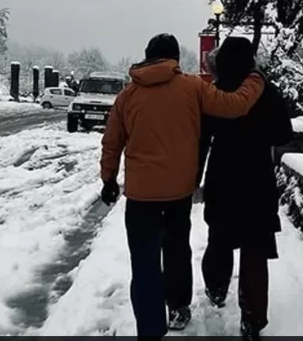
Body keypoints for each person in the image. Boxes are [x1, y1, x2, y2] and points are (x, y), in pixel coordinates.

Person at [99, 33, 265, 337]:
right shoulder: (193, 87)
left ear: (148, 56)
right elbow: (235, 105)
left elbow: (112, 143)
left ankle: (150, 329)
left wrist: (108, 179)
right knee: (176, 249)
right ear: (175, 59)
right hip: (177, 193)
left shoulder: (127, 95)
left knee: (145, 263)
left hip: (141, 196)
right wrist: (255, 79)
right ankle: (178, 306)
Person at [197, 37, 294, 340]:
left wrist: (194, 177)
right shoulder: (266, 90)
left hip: (223, 177)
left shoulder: (217, 92)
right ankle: (252, 317)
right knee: (254, 248)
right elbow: (284, 134)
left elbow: (202, 137)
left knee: (219, 239)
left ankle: (215, 288)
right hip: (256, 178)